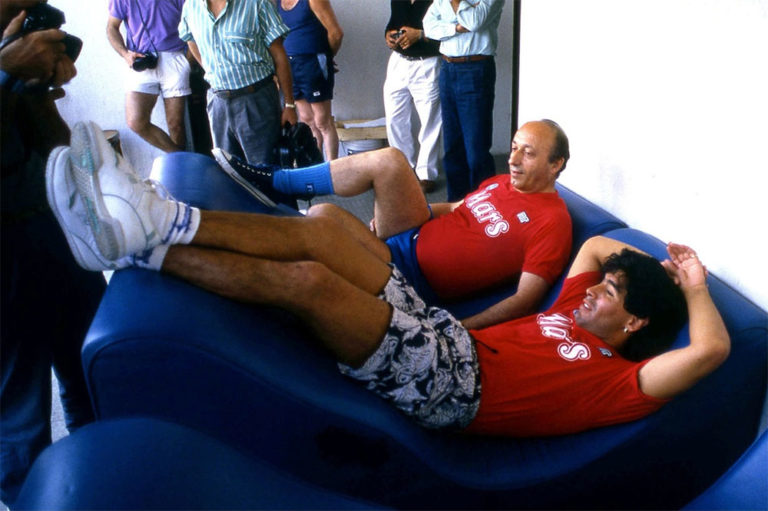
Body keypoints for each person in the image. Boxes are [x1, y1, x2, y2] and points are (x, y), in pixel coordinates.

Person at [47, 120, 730, 436]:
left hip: (455, 388)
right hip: (441, 334)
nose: (592, 289)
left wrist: (693, 283)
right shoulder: (576, 307)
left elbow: (710, 350)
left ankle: (141, 250)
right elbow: (604, 245)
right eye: (601, 284)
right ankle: (158, 219)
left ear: (634, 323)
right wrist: (650, 265)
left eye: (610, 293)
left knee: (313, 281)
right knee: (326, 228)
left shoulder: (620, 381)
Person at [214, 119, 573, 329]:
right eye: (513, 147)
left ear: (555, 164)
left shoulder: (553, 221)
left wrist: (461, 327)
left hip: (412, 280)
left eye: (528, 153)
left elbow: (525, 300)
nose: (513, 159)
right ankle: (276, 183)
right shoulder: (502, 183)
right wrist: (402, 207)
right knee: (388, 162)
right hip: (406, 239)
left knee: (323, 217)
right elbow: (454, 207)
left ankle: (246, 245)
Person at [0, 3, 105, 506]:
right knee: (19, 414)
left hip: (54, 230)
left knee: (93, 373)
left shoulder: (19, 33)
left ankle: (101, 485)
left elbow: (57, 145)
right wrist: (6, 71)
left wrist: (35, 88)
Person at [179, 0, 298, 165]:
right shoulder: (191, 6)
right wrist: (211, 70)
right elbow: (191, 39)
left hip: (255, 100)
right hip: (218, 102)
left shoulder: (256, 4)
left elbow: (279, 55)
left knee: (265, 169)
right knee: (228, 169)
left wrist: (289, 104)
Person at [423, 0, 505, 201]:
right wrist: (456, 28)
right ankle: (456, 204)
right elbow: (429, 27)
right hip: (447, 68)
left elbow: (474, 22)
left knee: (476, 148)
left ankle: (484, 205)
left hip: (475, 70)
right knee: (452, 146)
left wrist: (455, 3)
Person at [107, 0, 191, 153]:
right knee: (135, 121)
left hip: (174, 57)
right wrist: (125, 54)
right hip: (141, 60)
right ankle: (182, 158)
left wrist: (188, 60)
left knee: (176, 125)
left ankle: (180, 165)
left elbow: (193, 22)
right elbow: (112, 27)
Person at [383, 0, 442, 193]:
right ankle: (403, 168)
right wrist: (389, 34)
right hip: (398, 61)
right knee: (395, 119)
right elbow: (394, 20)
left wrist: (421, 35)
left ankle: (426, 174)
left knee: (430, 121)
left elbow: (451, 30)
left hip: (427, 62)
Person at [277, 0, 343, 161]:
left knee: (322, 121)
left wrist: (326, 58)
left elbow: (336, 33)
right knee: (307, 121)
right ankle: (315, 166)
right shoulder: (278, 2)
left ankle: (333, 168)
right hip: (290, 65)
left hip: (312, 62)